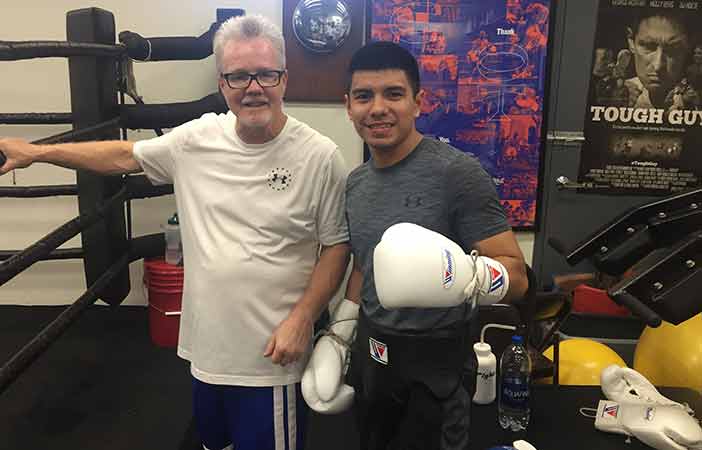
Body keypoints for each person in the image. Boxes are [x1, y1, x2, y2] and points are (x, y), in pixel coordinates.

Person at [0, 15, 350, 450]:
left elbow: (336, 245)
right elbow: (122, 155)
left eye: (265, 74)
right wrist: (38, 152)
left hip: (273, 364)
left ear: (284, 79)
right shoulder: (195, 141)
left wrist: (303, 319)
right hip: (205, 356)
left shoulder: (320, 156)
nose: (253, 87)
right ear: (222, 83)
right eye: (239, 76)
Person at [342, 41, 528, 450]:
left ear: (418, 102)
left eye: (393, 94)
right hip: (374, 349)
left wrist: (470, 276)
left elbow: (517, 276)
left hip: (438, 360)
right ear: (349, 106)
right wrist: (339, 333)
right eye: (363, 96)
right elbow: (364, 266)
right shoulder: (356, 184)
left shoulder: (456, 173)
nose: (377, 108)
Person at [624, 11, 691, 109]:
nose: (658, 65)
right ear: (631, 42)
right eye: (648, 46)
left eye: (672, 49)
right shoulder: (615, 93)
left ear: (688, 47)